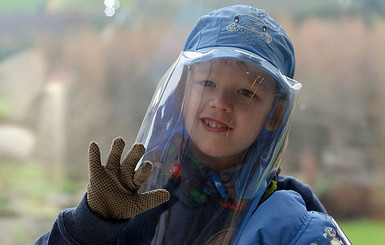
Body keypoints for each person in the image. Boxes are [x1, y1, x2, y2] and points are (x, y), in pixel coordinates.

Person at [36, 5, 351, 245]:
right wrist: (91, 221)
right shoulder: (140, 192)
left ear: (277, 112)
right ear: (183, 89)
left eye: (246, 92)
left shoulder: (290, 213)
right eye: (208, 83)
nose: (221, 102)